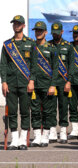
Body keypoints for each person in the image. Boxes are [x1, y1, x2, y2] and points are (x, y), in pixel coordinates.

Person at [1, 15, 36, 150]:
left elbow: (34, 65)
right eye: (15, 24)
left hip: (25, 83)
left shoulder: (31, 43)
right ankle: (14, 139)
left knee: (25, 111)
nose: (16, 26)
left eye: (19, 24)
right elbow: (3, 65)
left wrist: (32, 80)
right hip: (10, 83)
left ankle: (23, 139)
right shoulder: (7, 45)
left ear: (23, 26)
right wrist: (3, 82)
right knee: (12, 112)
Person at [30, 21, 59, 147]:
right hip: (34, 85)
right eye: (36, 31)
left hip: (47, 85)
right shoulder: (31, 47)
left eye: (40, 31)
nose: (38, 33)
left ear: (46, 32)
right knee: (35, 111)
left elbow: (56, 69)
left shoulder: (52, 49)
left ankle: (45, 136)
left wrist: (53, 85)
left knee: (48, 112)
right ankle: (37, 136)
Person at [48, 22, 74, 144]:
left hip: (63, 82)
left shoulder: (68, 46)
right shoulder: (48, 45)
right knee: (51, 107)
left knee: (64, 107)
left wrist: (69, 81)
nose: (55, 35)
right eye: (53, 33)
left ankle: (63, 131)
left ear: (62, 32)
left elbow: (71, 66)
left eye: (57, 33)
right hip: (51, 82)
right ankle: (52, 131)